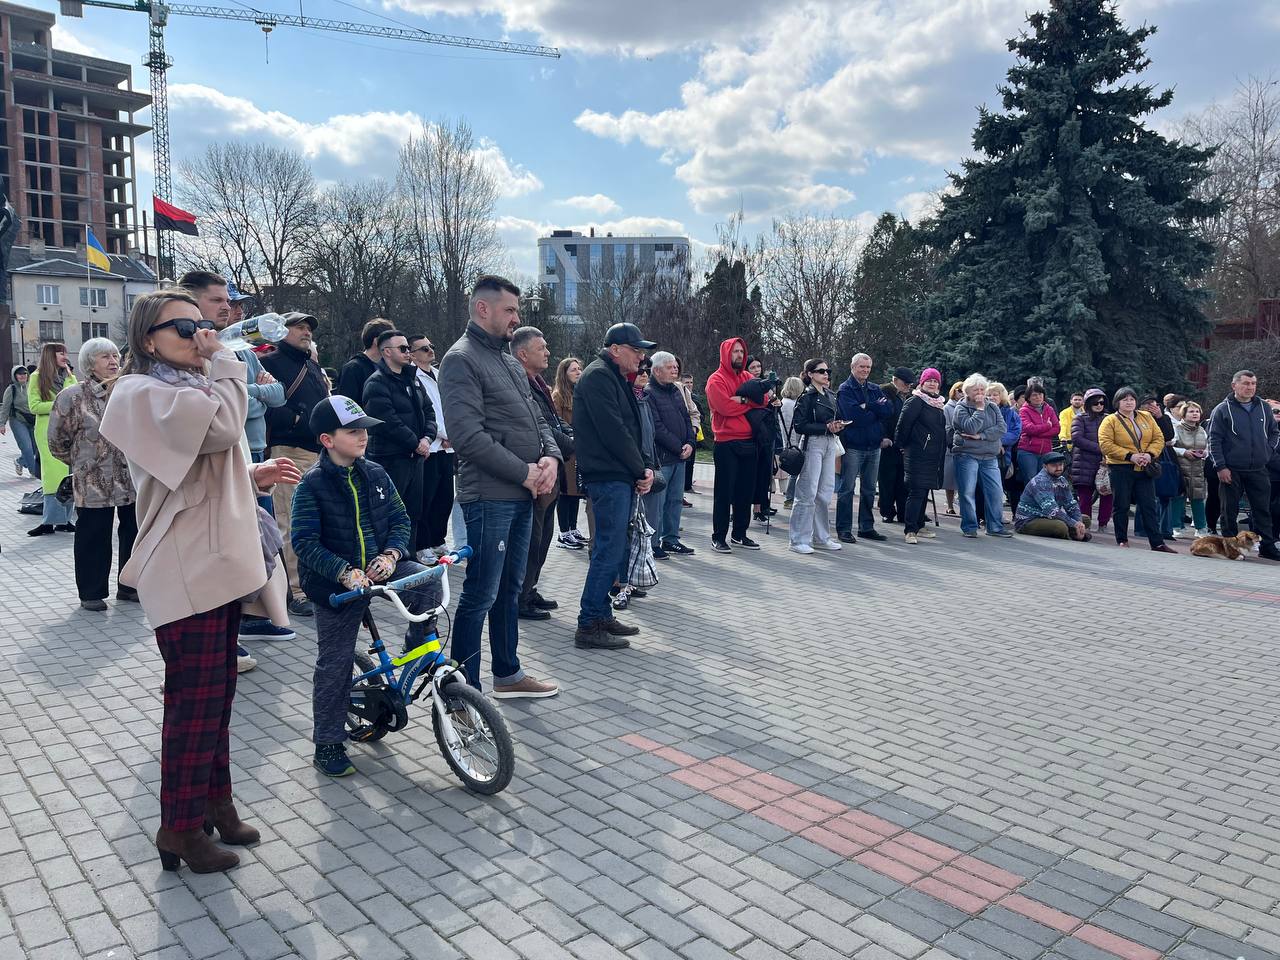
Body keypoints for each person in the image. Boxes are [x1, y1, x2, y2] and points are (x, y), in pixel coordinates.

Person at [100, 290, 301, 874]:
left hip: (210, 560)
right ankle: (179, 829)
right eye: (184, 326)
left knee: (216, 700)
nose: (200, 333)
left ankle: (215, 804)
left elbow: (205, 460)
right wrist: (227, 364)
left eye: (202, 323)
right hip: (185, 565)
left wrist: (251, 472)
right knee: (194, 704)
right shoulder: (139, 391)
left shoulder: (183, 388)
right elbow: (221, 429)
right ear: (146, 340)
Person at [292, 396, 442, 777]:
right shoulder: (312, 484)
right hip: (334, 583)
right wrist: (344, 572)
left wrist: (391, 554)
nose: (363, 437)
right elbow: (304, 543)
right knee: (336, 662)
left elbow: (400, 519)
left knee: (428, 581)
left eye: (364, 430)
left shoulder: (375, 473)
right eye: (353, 431)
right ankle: (327, 742)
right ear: (327, 440)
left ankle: (417, 645)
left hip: (378, 568)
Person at [439, 275, 560, 697]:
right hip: (489, 497)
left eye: (518, 311)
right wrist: (525, 472)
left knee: (510, 590)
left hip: (522, 495)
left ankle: (507, 674)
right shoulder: (461, 359)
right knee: (481, 594)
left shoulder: (509, 361)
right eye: (510, 310)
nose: (516, 318)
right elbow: (467, 436)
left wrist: (550, 458)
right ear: (482, 309)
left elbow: (538, 418)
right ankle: (463, 690)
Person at [180, 271, 290, 646]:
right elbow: (222, 417)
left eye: (230, 301)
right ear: (189, 304)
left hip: (243, 455)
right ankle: (224, 632)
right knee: (220, 548)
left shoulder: (232, 349)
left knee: (251, 539)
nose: (229, 307)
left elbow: (276, 396)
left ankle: (244, 623)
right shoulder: (186, 358)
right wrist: (241, 384)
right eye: (217, 300)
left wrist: (240, 384)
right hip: (206, 474)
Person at [573, 322, 656, 648]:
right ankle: (589, 624)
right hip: (607, 476)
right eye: (636, 350)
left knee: (613, 549)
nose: (641, 356)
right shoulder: (597, 377)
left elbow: (628, 428)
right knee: (608, 551)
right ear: (616, 349)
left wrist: (642, 467)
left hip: (616, 475)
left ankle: (601, 614)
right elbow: (613, 431)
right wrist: (640, 469)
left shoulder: (613, 376)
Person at [46, 338, 138, 611]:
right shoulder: (73, 396)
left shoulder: (130, 391)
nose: (113, 361)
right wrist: (83, 463)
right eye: (104, 357)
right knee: (93, 535)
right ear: (89, 364)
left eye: (114, 356)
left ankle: (129, 586)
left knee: (133, 532)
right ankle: (91, 593)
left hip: (130, 478)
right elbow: (57, 441)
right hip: (92, 483)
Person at [261, 312, 331, 616]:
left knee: (315, 522)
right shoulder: (271, 363)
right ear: (281, 331)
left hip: (316, 452)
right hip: (287, 450)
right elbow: (267, 408)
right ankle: (296, 589)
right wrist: (301, 422)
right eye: (298, 327)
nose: (306, 332)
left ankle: (313, 581)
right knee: (289, 521)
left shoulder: (310, 364)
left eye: (308, 328)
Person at [512, 326, 574, 619]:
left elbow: (553, 424)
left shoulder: (537, 382)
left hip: (552, 473)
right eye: (542, 348)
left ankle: (530, 588)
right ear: (523, 354)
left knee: (544, 537)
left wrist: (569, 440)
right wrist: (572, 445)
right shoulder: (519, 382)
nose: (548, 352)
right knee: (532, 541)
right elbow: (542, 428)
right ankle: (519, 598)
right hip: (537, 474)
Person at [361, 329, 435, 552]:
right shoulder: (376, 383)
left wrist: (427, 438)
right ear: (386, 352)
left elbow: (429, 411)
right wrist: (416, 443)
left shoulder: (412, 380)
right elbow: (387, 422)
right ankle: (387, 562)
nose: (408, 352)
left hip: (415, 459)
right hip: (390, 460)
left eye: (408, 348)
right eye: (403, 348)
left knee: (412, 513)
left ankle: (408, 559)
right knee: (389, 514)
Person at [1208, 370, 1280, 561]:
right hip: (1231, 469)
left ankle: (1267, 546)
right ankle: (1231, 547)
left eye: (1253, 384)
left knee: (1262, 510)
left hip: (1258, 468)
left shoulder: (1264, 408)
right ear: (1234, 386)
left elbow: (1274, 432)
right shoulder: (1222, 409)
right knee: (1229, 510)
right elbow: (1214, 440)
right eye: (1246, 383)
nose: (1250, 387)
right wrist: (1221, 466)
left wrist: (1269, 451)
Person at [705, 338, 767, 552]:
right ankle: (718, 536)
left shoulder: (748, 376)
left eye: (741, 351)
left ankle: (740, 534)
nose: (739, 355)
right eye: (735, 352)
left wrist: (740, 399)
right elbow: (724, 407)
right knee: (724, 492)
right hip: (726, 442)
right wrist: (748, 402)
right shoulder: (716, 380)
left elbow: (764, 399)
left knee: (745, 492)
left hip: (749, 441)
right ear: (726, 354)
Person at [1098, 386, 1175, 552]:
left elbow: (1158, 438)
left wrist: (1149, 454)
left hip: (1144, 467)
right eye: (1124, 399)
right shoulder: (1110, 420)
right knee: (1122, 505)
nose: (1128, 402)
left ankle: (1157, 543)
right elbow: (1106, 444)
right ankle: (1122, 540)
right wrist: (1129, 456)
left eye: (1131, 399)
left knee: (1149, 505)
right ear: (1117, 402)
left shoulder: (1146, 416)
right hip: (1121, 468)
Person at [834, 354, 893, 544]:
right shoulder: (845, 389)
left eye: (868, 367)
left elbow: (888, 411)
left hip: (874, 446)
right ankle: (843, 529)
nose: (865, 370)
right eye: (862, 367)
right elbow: (853, 417)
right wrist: (874, 410)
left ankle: (866, 527)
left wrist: (867, 407)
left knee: (868, 489)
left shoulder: (875, 388)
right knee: (847, 489)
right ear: (853, 367)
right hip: (854, 446)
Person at [787, 359, 844, 554]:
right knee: (807, 492)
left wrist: (837, 426)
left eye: (828, 371)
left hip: (830, 443)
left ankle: (821, 536)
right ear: (810, 374)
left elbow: (835, 416)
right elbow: (799, 425)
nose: (826, 374)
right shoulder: (807, 396)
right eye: (821, 371)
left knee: (825, 492)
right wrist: (824, 427)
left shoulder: (830, 394)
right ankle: (798, 539)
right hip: (813, 444)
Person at [407, 334, 455, 559]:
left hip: (447, 447)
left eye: (431, 346)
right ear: (412, 354)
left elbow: (448, 405)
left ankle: (438, 539)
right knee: (426, 497)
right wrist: (442, 434)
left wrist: (454, 434)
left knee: (444, 497)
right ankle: (422, 543)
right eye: (424, 348)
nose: (430, 351)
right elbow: (427, 412)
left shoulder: (438, 374)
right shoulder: (412, 377)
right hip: (431, 446)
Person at [645, 351, 696, 558]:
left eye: (675, 366)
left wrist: (691, 442)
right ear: (656, 370)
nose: (675, 370)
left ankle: (671, 539)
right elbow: (656, 427)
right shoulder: (649, 393)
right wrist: (678, 447)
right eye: (670, 367)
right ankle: (654, 543)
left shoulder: (676, 391)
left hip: (680, 457)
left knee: (675, 501)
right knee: (658, 503)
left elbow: (686, 418)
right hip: (663, 458)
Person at [952, 374, 1012, 539]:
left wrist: (982, 436)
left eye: (982, 389)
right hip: (967, 454)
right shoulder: (961, 408)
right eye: (975, 390)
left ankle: (994, 526)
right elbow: (970, 428)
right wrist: (979, 410)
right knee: (967, 492)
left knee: (995, 491)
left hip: (989, 456)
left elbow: (1002, 428)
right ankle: (970, 526)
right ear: (967, 392)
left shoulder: (992, 407)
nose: (980, 393)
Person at [27, 342, 77, 536]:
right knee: (53, 476)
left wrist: (69, 377)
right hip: (47, 430)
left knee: (70, 474)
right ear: (50, 356)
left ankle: (65, 520)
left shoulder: (67, 375)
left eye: (65, 352)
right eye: (61, 353)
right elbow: (34, 406)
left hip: (69, 431)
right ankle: (49, 522)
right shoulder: (37, 377)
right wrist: (59, 404)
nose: (65, 356)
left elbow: (75, 399)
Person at [897, 368, 947, 544]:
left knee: (924, 490)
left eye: (935, 381)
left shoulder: (938, 404)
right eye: (929, 380)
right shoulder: (916, 401)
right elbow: (903, 426)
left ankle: (919, 524)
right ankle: (910, 529)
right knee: (916, 491)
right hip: (917, 453)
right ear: (922, 382)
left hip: (933, 455)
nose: (932, 383)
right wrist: (902, 445)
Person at [551, 357, 589, 549]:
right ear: (564, 373)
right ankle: (563, 533)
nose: (578, 372)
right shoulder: (557, 395)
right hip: (566, 450)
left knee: (575, 492)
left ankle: (573, 528)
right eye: (573, 370)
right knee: (565, 493)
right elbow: (556, 423)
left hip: (580, 450)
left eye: (580, 369)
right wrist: (572, 435)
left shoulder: (579, 393)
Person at [1014, 452, 1090, 540]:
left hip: (1048, 517)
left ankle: (1075, 532)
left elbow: (1071, 504)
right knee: (1060, 527)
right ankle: (1072, 534)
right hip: (1030, 519)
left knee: (1085, 520)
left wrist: (1079, 522)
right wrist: (1074, 524)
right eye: (1054, 466)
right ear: (1045, 466)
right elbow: (1052, 510)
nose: (1058, 468)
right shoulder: (1040, 481)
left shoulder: (1062, 480)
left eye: (1060, 465)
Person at [1070, 389, 1113, 532]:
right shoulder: (1079, 418)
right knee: (1085, 496)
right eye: (1095, 402)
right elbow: (1077, 439)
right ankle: (1085, 525)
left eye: (1102, 402)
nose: (1099, 405)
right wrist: (1101, 448)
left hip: (1106, 462)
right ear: (1088, 403)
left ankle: (1103, 524)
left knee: (1107, 493)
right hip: (1083, 462)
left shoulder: (1109, 418)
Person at [876, 366, 913, 527]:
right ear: (896, 380)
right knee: (887, 479)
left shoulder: (909, 397)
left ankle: (904, 512)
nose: (908, 386)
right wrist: (882, 437)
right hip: (888, 442)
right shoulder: (885, 392)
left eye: (910, 384)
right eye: (906, 383)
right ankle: (887, 511)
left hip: (903, 444)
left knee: (902, 481)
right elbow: (879, 416)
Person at [1172, 400, 1210, 539]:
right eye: (1191, 411)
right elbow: (1170, 448)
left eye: (1197, 411)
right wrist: (1184, 452)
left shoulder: (1202, 430)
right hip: (1180, 468)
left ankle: (1201, 528)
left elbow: (1207, 448)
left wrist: (1205, 453)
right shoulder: (1176, 429)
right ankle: (1176, 526)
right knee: (1178, 498)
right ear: (1184, 414)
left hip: (1198, 469)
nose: (1195, 414)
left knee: (1198, 498)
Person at [986, 381, 1021, 520]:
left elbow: (1015, 432)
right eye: (989, 394)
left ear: (1002, 396)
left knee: (998, 487)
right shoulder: (982, 410)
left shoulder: (1011, 413)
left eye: (995, 394)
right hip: (984, 453)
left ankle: (996, 515)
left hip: (1002, 456)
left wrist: (999, 441)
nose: (992, 397)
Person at [337, 318, 394, 401]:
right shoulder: (352, 369)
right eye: (390, 340)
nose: (393, 344)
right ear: (377, 341)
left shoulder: (388, 368)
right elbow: (347, 404)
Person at [1018, 379, 1060, 484]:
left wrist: (1039, 432)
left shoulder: (1049, 409)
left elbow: (1057, 428)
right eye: (1034, 395)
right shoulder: (1024, 410)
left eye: (1040, 394)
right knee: (1032, 482)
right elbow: (1028, 428)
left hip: (1046, 451)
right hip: (1028, 451)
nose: (1038, 397)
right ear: (1028, 397)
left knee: (1045, 481)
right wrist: (1047, 426)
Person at [0, 366, 39, 477]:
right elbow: (5, 408)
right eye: (19, 374)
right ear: (15, 376)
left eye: (24, 374)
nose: (22, 376)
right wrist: (2, 423)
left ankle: (20, 461)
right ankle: (34, 472)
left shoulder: (32, 386)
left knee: (35, 448)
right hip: (18, 421)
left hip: (32, 420)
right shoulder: (11, 389)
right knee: (26, 447)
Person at [779, 376, 805, 507]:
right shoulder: (793, 405)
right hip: (794, 442)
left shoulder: (783, 402)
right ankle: (790, 498)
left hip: (788, 441)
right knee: (795, 471)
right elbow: (794, 426)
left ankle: (790, 497)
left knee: (793, 471)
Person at [942, 380, 965, 515]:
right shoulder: (948, 407)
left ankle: (963, 506)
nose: (961, 393)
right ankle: (950, 505)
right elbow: (946, 427)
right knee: (950, 479)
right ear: (954, 391)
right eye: (959, 390)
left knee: (963, 479)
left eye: (964, 390)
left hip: (965, 447)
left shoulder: (968, 406)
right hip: (951, 446)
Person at [678, 363, 701, 497]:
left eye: (691, 382)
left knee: (690, 463)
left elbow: (698, 413)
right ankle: (682, 491)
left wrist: (694, 427)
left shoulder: (694, 398)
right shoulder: (678, 392)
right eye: (687, 382)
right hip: (679, 437)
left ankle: (686, 487)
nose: (689, 384)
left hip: (692, 435)